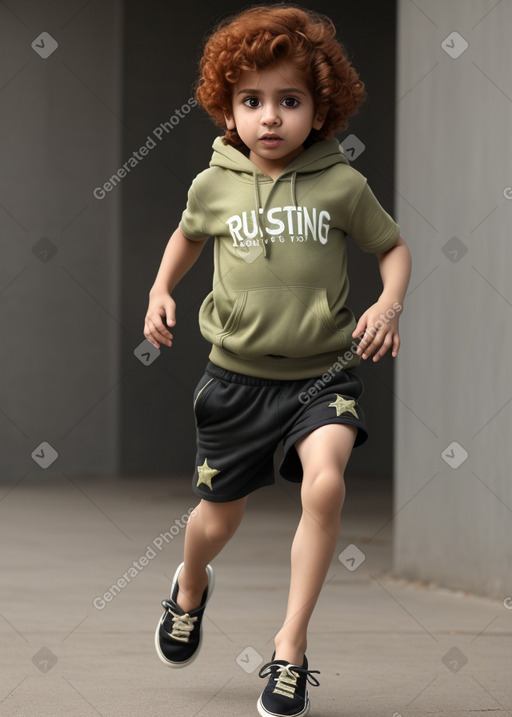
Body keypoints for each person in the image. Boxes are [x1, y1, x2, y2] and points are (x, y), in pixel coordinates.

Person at [144, 5, 411, 716]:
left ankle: (289, 649)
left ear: (320, 108)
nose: (270, 117)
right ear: (227, 107)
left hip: (322, 376)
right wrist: (159, 290)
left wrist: (388, 304)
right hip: (234, 381)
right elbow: (187, 236)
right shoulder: (215, 183)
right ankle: (190, 584)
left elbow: (392, 247)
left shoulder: (340, 185)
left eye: (289, 101)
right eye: (252, 101)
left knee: (325, 486)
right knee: (216, 520)